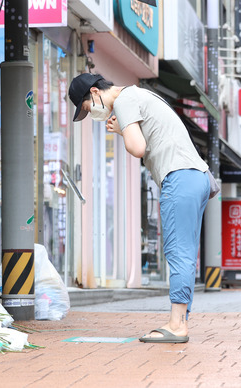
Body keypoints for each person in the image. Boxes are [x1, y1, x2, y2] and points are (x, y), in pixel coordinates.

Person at [68, 73, 213, 343]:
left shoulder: (124, 100)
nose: (93, 114)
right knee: (184, 251)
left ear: (95, 92)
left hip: (179, 177)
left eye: (88, 108)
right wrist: (123, 128)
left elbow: (137, 147)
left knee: (177, 251)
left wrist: (123, 129)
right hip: (195, 176)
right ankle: (179, 319)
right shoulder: (137, 95)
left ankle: (177, 325)